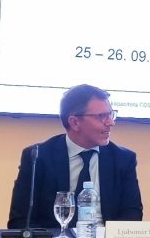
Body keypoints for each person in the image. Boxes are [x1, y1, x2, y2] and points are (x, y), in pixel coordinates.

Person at [8, 84, 142, 229]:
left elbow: (132, 218)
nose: (111, 122)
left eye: (111, 114)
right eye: (102, 116)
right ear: (75, 122)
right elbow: (21, 221)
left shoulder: (123, 159)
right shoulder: (38, 157)